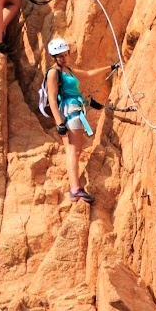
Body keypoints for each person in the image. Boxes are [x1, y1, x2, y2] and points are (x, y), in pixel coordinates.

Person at [45, 38, 97, 203]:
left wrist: (112, 67)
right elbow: (52, 99)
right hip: (69, 112)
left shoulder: (68, 69)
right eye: (60, 56)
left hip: (75, 109)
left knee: (72, 151)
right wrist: (59, 123)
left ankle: (74, 188)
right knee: (74, 150)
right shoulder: (54, 72)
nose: (64, 58)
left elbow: (88, 74)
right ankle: (75, 189)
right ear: (53, 56)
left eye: (65, 54)